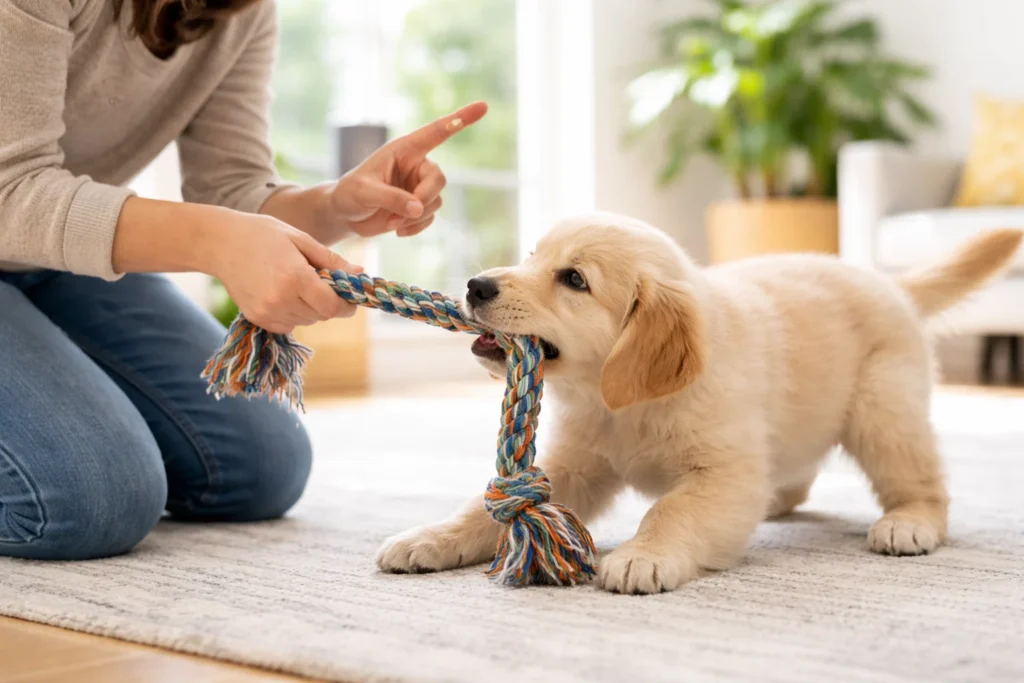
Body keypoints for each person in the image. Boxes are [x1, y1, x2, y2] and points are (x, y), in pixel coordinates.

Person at [0, 0, 486, 561]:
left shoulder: (244, 10)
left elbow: (231, 189)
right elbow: (10, 190)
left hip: (50, 260)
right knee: (87, 501)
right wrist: (216, 239)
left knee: (259, 465)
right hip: (21, 220)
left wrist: (336, 206)